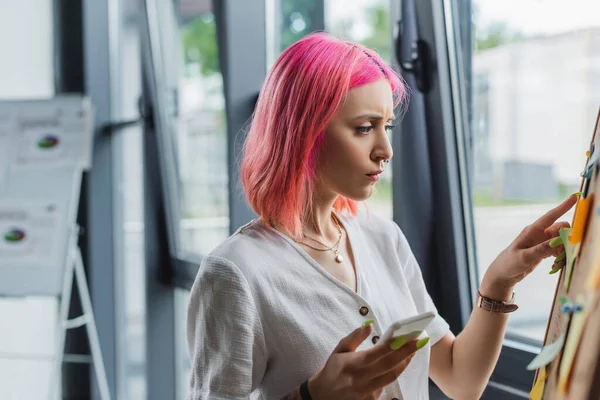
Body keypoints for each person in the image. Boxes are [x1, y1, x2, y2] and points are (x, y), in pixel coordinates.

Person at [186, 32, 576, 400]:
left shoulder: (382, 238)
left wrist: (497, 282)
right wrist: (311, 395)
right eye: (364, 128)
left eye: (386, 126)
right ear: (304, 132)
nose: (385, 150)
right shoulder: (235, 273)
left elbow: (461, 378)